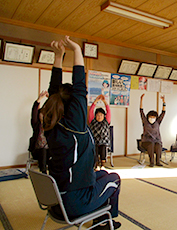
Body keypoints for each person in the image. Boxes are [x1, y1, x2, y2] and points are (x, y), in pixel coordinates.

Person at [41, 36, 121, 229]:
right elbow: (78, 88)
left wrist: (59, 56)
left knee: (103, 174)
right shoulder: (74, 126)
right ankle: (106, 223)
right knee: (115, 180)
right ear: (74, 107)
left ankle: (102, 221)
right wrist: (77, 50)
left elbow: (55, 91)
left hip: (58, 198)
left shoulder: (53, 123)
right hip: (75, 202)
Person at [140, 93, 166, 167]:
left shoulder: (158, 122)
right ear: (148, 117)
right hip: (146, 142)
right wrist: (141, 100)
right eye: (150, 117)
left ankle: (158, 161)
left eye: (154, 117)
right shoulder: (145, 122)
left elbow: (163, 113)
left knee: (158, 145)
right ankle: (152, 162)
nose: (152, 118)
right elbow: (141, 111)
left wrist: (164, 102)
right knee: (151, 144)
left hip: (156, 141)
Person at [28, 90, 50, 174]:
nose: (43, 116)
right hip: (38, 151)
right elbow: (34, 111)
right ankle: (44, 172)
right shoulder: (37, 125)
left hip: (49, 151)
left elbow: (52, 107)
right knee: (43, 150)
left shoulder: (49, 125)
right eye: (42, 114)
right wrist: (39, 100)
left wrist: (50, 98)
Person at [89, 94, 111, 168]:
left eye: (101, 115)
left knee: (103, 147)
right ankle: (96, 164)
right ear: (95, 116)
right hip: (94, 141)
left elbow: (108, 111)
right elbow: (91, 110)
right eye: (98, 115)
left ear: (104, 116)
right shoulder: (92, 121)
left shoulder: (106, 121)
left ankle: (103, 165)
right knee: (94, 148)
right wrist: (96, 101)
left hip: (103, 141)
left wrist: (104, 102)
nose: (99, 116)